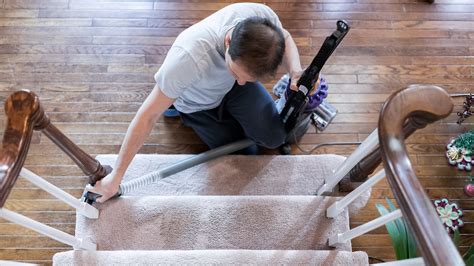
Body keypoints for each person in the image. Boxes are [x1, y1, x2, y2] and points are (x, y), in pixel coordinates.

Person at [86, 2, 303, 203]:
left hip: (230, 91)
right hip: (198, 105)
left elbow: (286, 38)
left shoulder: (263, 20)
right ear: (228, 41)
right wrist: (116, 177)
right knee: (247, 157)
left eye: (249, 78)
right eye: (236, 71)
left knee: (275, 137)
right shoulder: (189, 58)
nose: (242, 81)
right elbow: (147, 116)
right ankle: (176, 109)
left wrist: (295, 72)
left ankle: (241, 110)